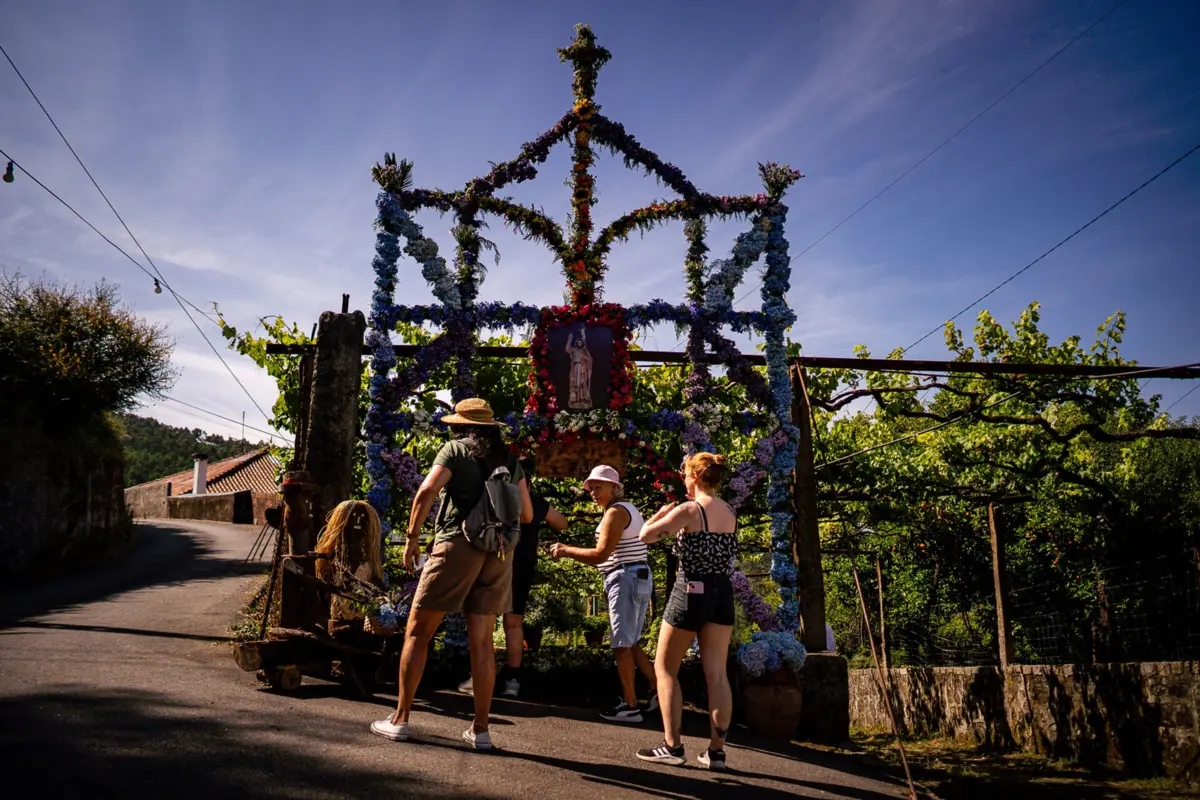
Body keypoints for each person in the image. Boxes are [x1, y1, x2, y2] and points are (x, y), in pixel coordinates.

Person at [370, 398, 533, 751]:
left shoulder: (455, 450)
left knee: (418, 632)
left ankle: (399, 720)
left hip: (457, 545)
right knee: (483, 642)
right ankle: (481, 731)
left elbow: (427, 489)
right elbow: (528, 514)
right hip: (498, 552)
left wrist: (412, 538)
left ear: (459, 426)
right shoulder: (510, 460)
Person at [635, 453, 738, 771]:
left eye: (685, 475)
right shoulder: (729, 511)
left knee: (664, 667)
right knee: (717, 674)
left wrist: (659, 515)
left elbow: (645, 536)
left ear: (694, 477)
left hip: (691, 590)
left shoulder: (690, 510)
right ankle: (716, 753)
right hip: (722, 593)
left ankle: (672, 746)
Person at [549, 465, 658, 723]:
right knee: (631, 642)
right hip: (636, 576)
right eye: (591, 488)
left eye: (599, 487)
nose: (593, 492)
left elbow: (601, 554)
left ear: (614, 487)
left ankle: (630, 706)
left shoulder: (615, 512)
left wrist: (565, 550)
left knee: (621, 644)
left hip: (625, 577)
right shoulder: (628, 509)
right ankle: (659, 692)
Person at [459, 460, 568, 699]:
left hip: (496, 562)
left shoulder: (498, 498)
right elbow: (561, 522)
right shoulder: (535, 503)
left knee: (485, 620)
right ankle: (513, 681)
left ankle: (479, 677)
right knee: (514, 623)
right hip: (523, 566)